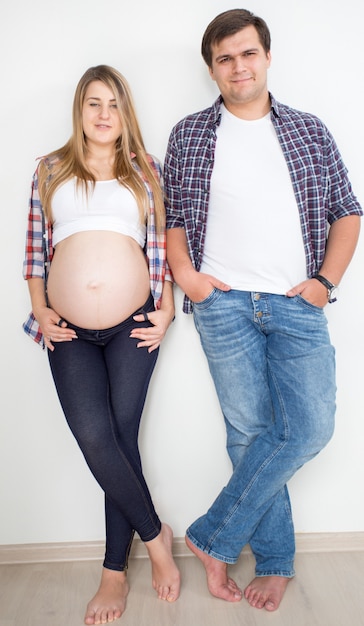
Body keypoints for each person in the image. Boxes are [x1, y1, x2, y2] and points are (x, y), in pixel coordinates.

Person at [164, 9, 362, 613]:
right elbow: (172, 221)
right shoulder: (191, 133)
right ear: (211, 69)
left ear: (267, 57)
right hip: (222, 306)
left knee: (310, 427)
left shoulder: (308, 130)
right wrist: (189, 280)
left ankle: (211, 536)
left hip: (296, 301)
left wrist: (326, 283)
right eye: (225, 58)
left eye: (247, 53)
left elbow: (347, 212)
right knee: (249, 435)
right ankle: (274, 562)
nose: (237, 66)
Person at [23, 64, 180, 625]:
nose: (104, 114)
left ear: (125, 112)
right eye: (93, 103)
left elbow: (158, 248)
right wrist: (40, 309)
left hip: (134, 322)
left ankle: (114, 569)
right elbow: (36, 252)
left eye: (113, 103)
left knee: (119, 436)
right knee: (96, 437)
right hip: (65, 327)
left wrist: (165, 310)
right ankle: (156, 537)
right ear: (79, 109)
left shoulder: (146, 172)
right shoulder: (49, 169)